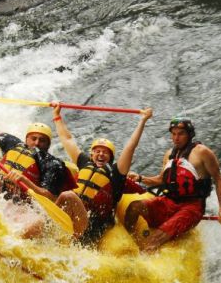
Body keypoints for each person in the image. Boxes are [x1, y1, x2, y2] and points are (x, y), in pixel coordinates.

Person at [51, 103, 153, 242]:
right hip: (75, 213)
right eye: (97, 151)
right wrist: (57, 116)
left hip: (93, 224)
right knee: (67, 196)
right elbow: (67, 139)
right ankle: (51, 227)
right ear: (92, 154)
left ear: (110, 158)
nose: (100, 154)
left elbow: (130, 147)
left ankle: (51, 228)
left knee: (68, 195)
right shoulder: (84, 163)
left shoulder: (116, 173)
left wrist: (142, 121)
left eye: (105, 152)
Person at [125, 116, 221, 251]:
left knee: (155, 239)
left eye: (181, 134)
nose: (176, 138)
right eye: (173, 134)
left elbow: (218, 179)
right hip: (169, 202)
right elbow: (161, 180)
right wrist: (140, 178)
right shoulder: (169, 155)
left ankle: (144, 256)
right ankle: (131, 241)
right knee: (134, 207)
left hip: (192, 207)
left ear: (189, 135)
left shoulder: (202, 152)